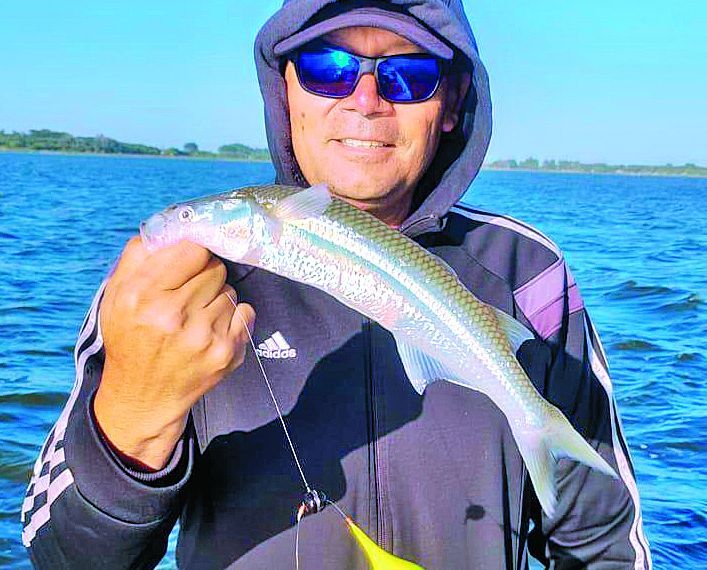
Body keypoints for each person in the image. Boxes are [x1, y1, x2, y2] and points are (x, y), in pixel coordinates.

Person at [22, 1, 651, 568]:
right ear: (286, 90)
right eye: (328, 68)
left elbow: (606, 548)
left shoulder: (528, 273)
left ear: (453, 102)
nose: (366, 100)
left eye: (409, 75)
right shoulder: (168, 294)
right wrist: (134, 412)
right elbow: (63, 556)